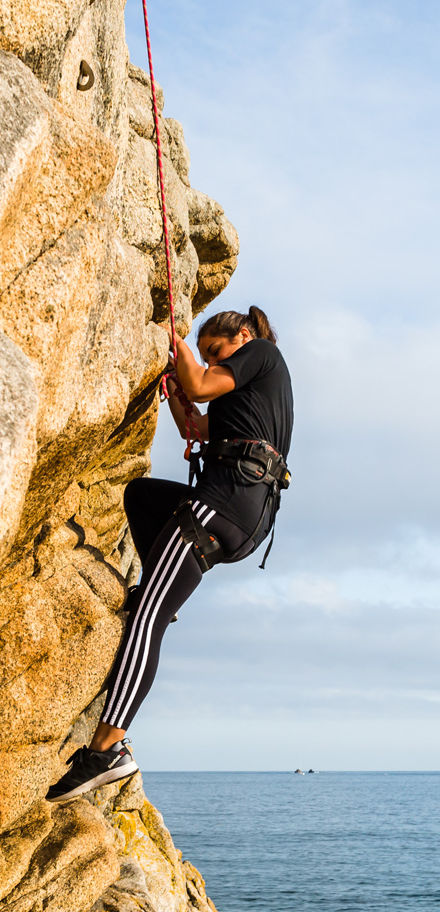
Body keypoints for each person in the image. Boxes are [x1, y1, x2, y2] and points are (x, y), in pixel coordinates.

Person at [46, 306, 293, 803]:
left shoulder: (261, 353)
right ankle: (162, 592)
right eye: (204, 355)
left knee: (148, 617)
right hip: (240, 510)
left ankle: (108, 749)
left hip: (224, 504)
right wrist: (177, 393)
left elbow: (201, 384)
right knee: (141, 496)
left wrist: (174, 340)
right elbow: (195, 425)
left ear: (242, 336)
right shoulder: (248, 390)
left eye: (215, 351)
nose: (209, 361)